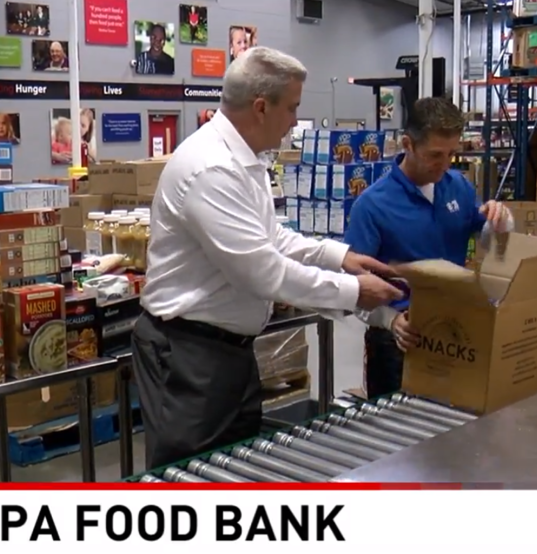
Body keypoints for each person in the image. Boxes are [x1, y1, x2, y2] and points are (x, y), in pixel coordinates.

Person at [132, 46, 404, 470]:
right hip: (189, 355)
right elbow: (263, 271)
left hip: (226, 353)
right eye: (292, 108)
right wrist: (353, 292)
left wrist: (339, 256)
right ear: (261, 107)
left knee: (229, 471)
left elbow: (270, 236)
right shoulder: (212, 168)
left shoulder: (246, 161)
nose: (295, 121)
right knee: (188, 477)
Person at [343, 96, 511, 399]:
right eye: (436, 155)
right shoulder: (372, 205)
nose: (445, 164)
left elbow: (487, 239)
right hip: (400, 343)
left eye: (451, 154)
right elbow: (354, 289)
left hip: (456, 333)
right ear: (408, 144)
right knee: (396, 436)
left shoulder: (458, 186)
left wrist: (500, 223)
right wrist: (390, 320)